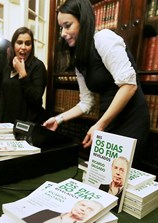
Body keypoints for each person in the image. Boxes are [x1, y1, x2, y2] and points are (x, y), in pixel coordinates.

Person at [43, 0, 150, 166]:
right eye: (61, 28)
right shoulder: (80, 59)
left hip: (131, 121)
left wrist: (100, 125)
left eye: (67, 25)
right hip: (107, 121)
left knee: (120, 179)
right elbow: (87, 103)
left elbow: (129, 86)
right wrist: (58, 119)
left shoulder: (103, 38)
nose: (63, 33)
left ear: (83, 21)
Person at [0, 27, 48, 124]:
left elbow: (36, 98)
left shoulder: (38, 66)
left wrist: (23, 74)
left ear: (32, 47)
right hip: (8, 123)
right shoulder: (8, 67)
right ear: (13, 45)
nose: (23, 47)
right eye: (19, 42)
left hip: (28, 124)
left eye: (27, 44)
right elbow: (3, 96)